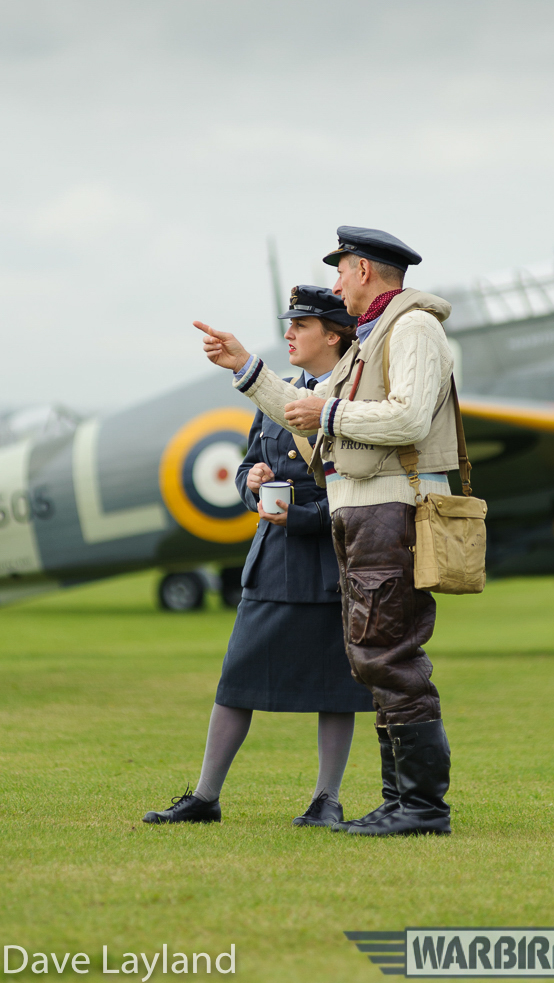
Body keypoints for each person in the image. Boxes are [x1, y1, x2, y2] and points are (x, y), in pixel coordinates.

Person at [195, 227, 459, 836]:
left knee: (390, 659)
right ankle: (403, 803)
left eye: (341, 270)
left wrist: (331, 411)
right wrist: (247, 368)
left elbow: (409, 418)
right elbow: (305, 413)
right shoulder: (375, 335)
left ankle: (419, 807)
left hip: (388, 512)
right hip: (365, 514)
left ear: (364, 269)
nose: (337, 282)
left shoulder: (411, 327)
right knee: (376, 660)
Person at [143, 285, 372, 829]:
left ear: (334, 334)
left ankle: (326, 800)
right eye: (289, 323)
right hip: (271, 565)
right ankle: (205, 797)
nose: (289, 332)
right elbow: (252, 463)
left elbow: (356, 491)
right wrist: (253, 482)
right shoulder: (281, 393)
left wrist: (299, 516)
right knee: (236, 680)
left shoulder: (356, 402)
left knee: (335, 688)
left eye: (302, 324)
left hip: (329, 566)